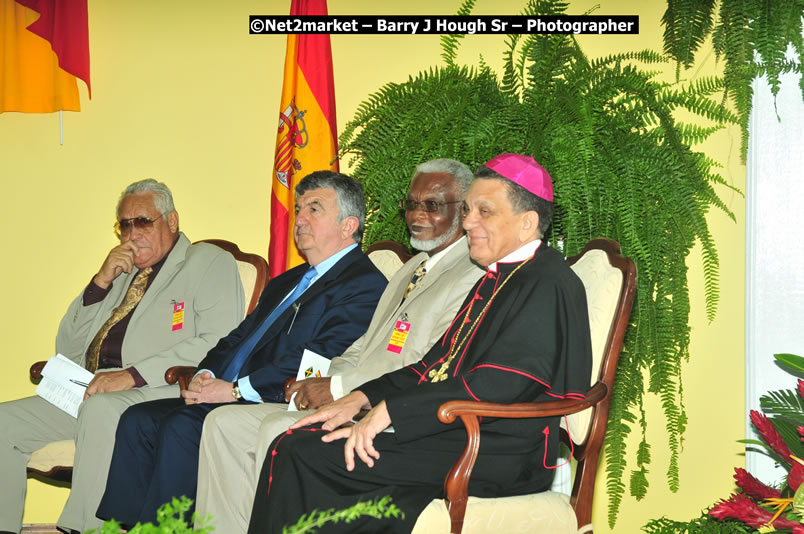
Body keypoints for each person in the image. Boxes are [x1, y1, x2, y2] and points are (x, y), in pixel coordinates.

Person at [247, 154, 594, 534]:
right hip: (460, 432)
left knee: (304, 453)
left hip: (499, 450)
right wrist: (360, 398)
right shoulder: (494, 279)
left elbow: (502, 383)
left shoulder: (547, 282)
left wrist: (390, 412)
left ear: (527, 222)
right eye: (467, 210)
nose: (467, 222)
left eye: (484, 212)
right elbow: (433, 365)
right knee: (299, 445)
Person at [195, 158, 485, 533]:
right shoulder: (410, 269)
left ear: (463, 211)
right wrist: (314, 379)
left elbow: (423, 363)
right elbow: (362, 346)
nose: (418, 213)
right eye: (412, 203)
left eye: (432, 204)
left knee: (278, 431)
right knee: (223, 424)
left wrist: (336, 388)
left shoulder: (472, 273)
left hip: (386, 408)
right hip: (349, 391)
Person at [96, 170, 387, 527]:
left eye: (314, 209)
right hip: (228, 390)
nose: (299, 219)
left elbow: (318, 359)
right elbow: (237, 337)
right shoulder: (288, 281)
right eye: (298, 209)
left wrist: (235, 390)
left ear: (348, 226)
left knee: (180, 426)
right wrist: (205, 374)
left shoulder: (364, 285)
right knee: (137, 420)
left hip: (271, 398)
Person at [0, 179, 244, 534]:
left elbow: (218, 341)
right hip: (93, 389)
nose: (132, 234)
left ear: (172, 221)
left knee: (100, 409)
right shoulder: (121, 272)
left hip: (157, 391)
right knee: (4, 422)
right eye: (124, 225)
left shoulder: (207, 263)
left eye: (142, 222)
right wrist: (99, 283)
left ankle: (85, 528)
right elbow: (67, 349)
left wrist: (131, 375)